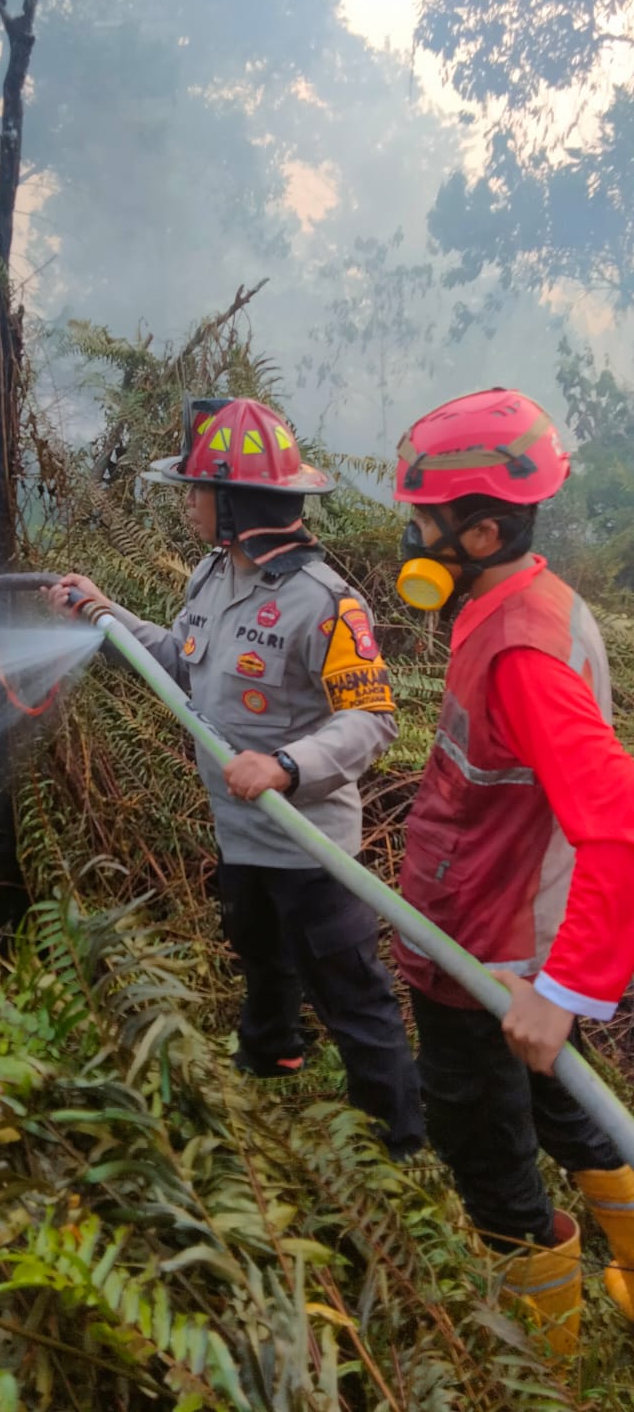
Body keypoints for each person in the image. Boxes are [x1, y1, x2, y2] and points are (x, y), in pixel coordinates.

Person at [50, 394, 424, 1160]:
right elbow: (179, 663)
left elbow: (372, 719)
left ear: (236, 504)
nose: (186, 504)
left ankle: (399, 1142)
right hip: (240, 834)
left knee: (351, 994)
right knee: (257, 951)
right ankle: (271, 1059)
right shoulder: (212, 577)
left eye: (196, 491)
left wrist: (287, 767)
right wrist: (104, 613)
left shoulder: (326, 604)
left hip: (311, 847)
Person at [391, 386, 634, 1351]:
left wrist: (564, 989)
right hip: (488, 925)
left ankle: (546, 1370)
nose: (412, 536)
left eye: (425, 521)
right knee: (559, 1103)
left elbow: (617, 822)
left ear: (482, 533)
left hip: (489, 953)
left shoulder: (522, 651)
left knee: (486, 1152)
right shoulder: (519, 597)